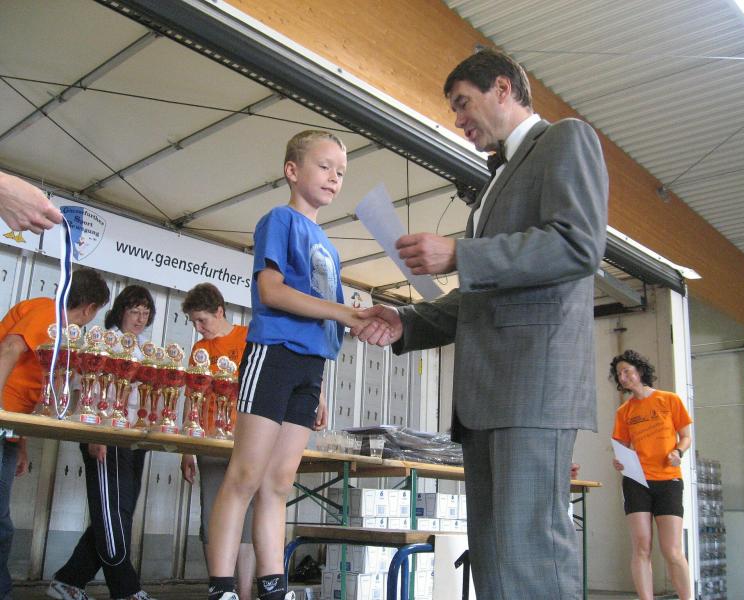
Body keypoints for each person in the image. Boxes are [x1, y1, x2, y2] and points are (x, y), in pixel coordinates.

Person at [353, 48, 608, 598]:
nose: (459, 119)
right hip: (488, 396)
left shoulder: (564, 139)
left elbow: (578, 245)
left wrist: (460, 254)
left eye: (463, 103)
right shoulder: (495, 182)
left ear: (502, 88)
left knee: (530, 556)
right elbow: (481, 295)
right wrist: (406, 322)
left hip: (532, 386)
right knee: (495, 560)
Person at [205, 130, 379, 600]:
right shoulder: (279, 220)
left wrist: (320, 384)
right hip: (274, 354)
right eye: (324, 166)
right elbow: (272, 291)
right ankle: (221, 587)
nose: (334, 177)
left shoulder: (330, 247)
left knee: (280, 481)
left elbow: (326, 317)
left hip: (310, 366)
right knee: (245, 474)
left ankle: (272, 584)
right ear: (292, 170)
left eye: (341, 172)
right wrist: (344, 313)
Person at [0, 268, 110, 600]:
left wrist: (20, 442)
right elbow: (9, 349)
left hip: (11, 427)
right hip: (3, 419)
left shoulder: (60, 329)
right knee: (1, 524)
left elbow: (30, 389)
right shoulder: (48, 313)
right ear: (90, 308)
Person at [48, 285, 158, 600]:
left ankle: (68, 581)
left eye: (146, 312)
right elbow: (85, 391)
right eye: (135, 311)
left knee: (117, 514)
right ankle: (126, 590)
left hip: (135, 438)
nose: (140, 318)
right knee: (112, 515)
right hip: (105, 435)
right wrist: (95, 435)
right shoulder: (102, 341)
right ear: (120, 311)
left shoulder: (145, 348)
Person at [179, 283, 255, 600]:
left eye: (202, 320)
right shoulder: (200, 350)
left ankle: (246, 592)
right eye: (194, 322)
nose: (199, 328)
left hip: (248, 440)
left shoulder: (248, 337)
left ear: (219, 311)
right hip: (210, 441)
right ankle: (221, 589)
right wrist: (187, 449)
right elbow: (191, 398)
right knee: (212, 515)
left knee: (247, 520)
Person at [610, 350, 693, 600]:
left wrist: (678, 452)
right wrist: (619, 461)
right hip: (636, 481)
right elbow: (621, 447)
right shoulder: (624, 412)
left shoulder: (669, 400)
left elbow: (686, 436)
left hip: (668, 480)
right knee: (641, 547)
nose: (622, 377)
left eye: (626, 371)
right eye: (618, 374)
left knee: (672, 550)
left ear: (640, 370)